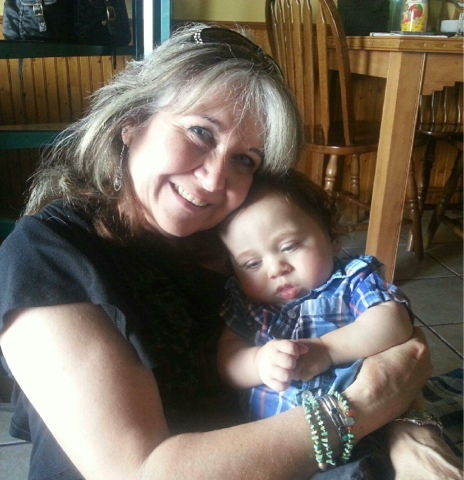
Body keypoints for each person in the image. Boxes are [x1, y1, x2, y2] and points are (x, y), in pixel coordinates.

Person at [0, 23, 460, 480]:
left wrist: (410, 429)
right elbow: (141, 473)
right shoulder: (47, 257)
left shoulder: (236, 239)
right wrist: (362, 408)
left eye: (245, 160)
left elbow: (389, 345)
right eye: (200, 132)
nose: (215, 179)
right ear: (132, 121)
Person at [217, 171, 414, 421]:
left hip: (364, 422)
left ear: (331, 237)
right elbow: (228, 359)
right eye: (252, 263)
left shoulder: (351, 280)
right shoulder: (247, 303)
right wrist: (258, 363)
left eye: (289, 246)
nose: (276, 269)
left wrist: (326, 350)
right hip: (278, 434)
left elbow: (395, 321)